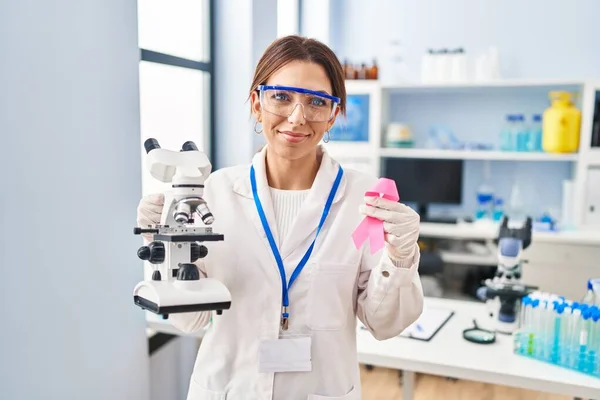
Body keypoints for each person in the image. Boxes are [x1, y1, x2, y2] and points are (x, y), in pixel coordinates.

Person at [137, 35, 423, 400]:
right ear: (257, 103)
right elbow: (189, 318)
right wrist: (162, 242)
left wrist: (400, 259)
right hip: (229, 388)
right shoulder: (215, 193)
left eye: (317, 102)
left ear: (333, 114)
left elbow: (385, 324)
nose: (298, 117)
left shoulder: (363, 202)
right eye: (282, 97)